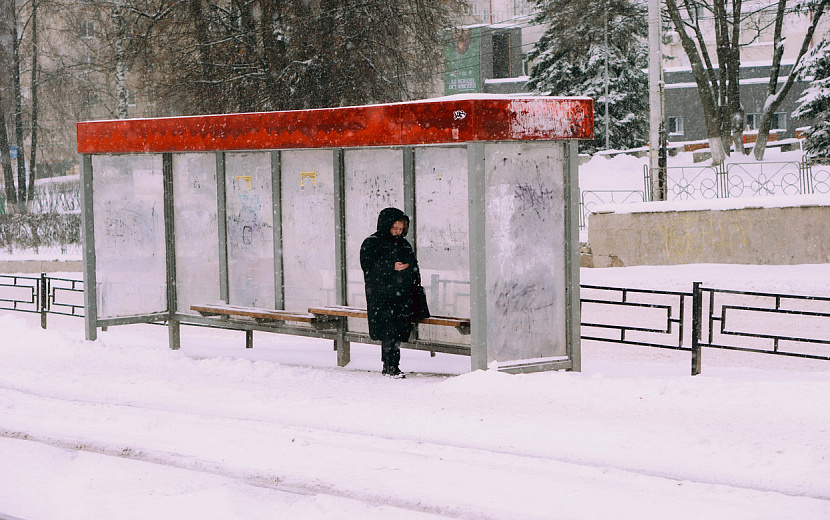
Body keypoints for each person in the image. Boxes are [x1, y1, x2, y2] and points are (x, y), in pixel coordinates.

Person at [360, 207, 421, 379]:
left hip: (402, 296)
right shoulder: (372, 242)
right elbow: (368, 267)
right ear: (386, 225)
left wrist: (413, 283)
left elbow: (414, 267)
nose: (397, 232)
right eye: (395, 228)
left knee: (397, 331)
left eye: (401, 229)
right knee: (389, 331)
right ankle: (390, 365)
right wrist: (390, 267)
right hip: (382, 297)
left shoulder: (403, 243)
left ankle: (391, 365)